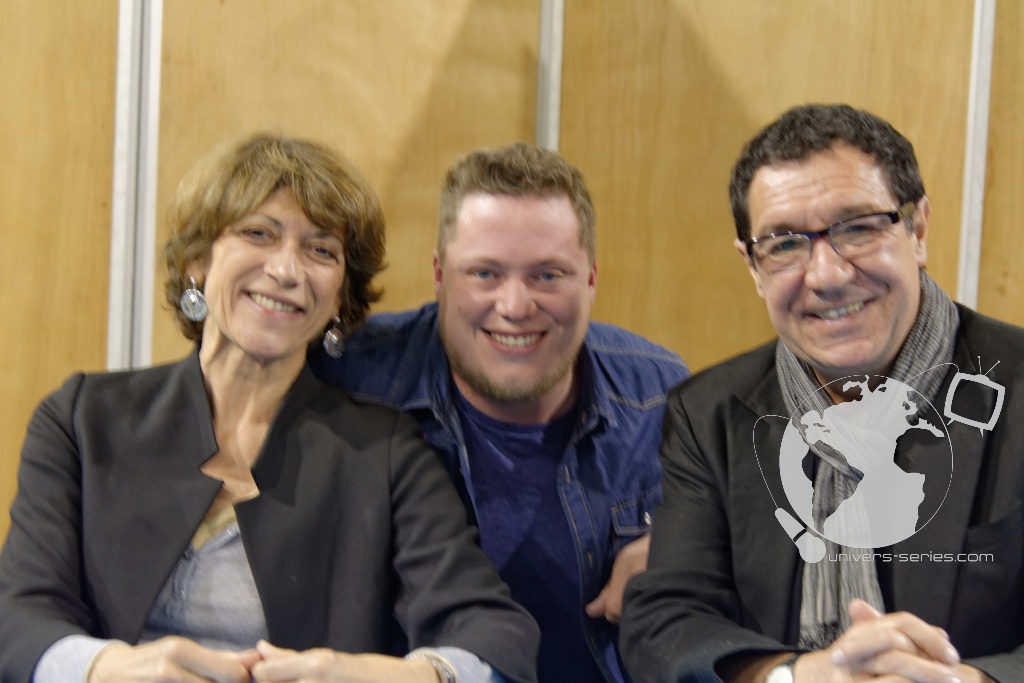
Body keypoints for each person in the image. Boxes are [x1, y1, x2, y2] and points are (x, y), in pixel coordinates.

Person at [0, 133, 539, 683]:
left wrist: (402, 677)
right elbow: (18, 617)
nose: (286, 271)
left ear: (340, 298)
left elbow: (493, 633)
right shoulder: (82, 419)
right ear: (197, 262)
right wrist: (105, 668)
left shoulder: (385, 452)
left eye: (321, 250)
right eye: (259, 234)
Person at [620, 103, 1024, 683]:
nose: (828, 275)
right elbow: (666, 622)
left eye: (858, 228)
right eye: (784, 244)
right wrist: (797, 676)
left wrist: (967, 682)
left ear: (918, 230)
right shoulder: (708, 414)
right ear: (752, 266)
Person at [312, 141, 690, 683]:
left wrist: (683, 549)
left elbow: (753, 545)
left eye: (548, 275)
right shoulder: (350, 381)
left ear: (590, 279)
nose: (514, 306)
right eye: (484, 274)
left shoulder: (661, 395)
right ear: (439, 275)